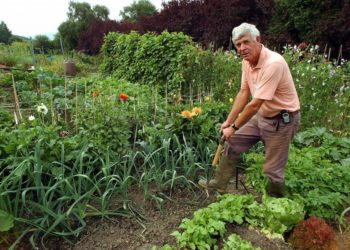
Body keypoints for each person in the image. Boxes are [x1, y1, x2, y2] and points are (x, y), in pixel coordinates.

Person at [198, 22, 300, 197]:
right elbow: (244, 92)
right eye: (238, 45)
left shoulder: (273, 63)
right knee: (233, 142)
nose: (242, 48)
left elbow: (254, 104)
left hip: (281, 120)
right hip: (262, 115)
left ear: (258, 40)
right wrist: (229, 122)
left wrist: (234, 127)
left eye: (246, 42)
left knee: (272, 169)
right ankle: (219, 184)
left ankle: (275, 203)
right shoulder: (247, 62)